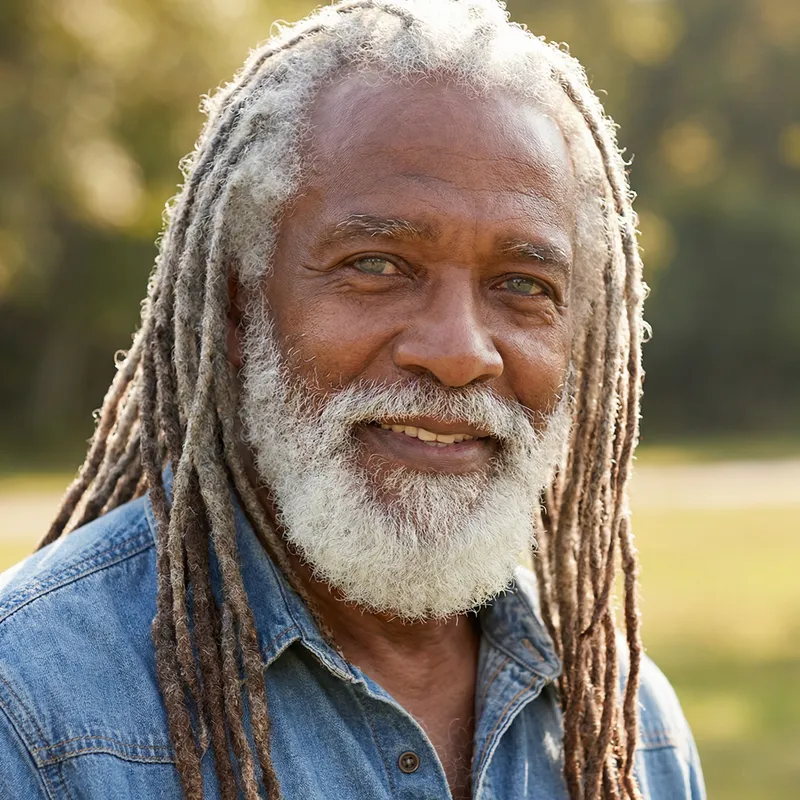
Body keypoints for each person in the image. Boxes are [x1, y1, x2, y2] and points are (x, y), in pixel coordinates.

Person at [0, 1, 706, 798]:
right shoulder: (32, 706)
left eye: (521, 285)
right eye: (377, 264)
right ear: (236, 311)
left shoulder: (625, 728)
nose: (458, 353)